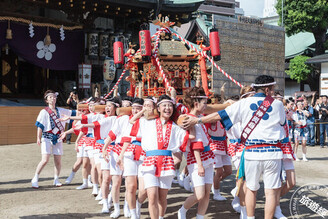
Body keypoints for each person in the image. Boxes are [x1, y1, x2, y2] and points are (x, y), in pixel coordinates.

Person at [183, 75, 287, 219]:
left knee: (251, 189)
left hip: (251, 152)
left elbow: (219, 115)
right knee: (271, 192)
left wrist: (198, 120)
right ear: (268, 89)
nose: (273, 92)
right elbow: (282, 123)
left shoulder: (243, 103)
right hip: (273, 153)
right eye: (273, 89)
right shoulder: (278, 104)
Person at [138, 94, 190, 219]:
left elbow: (183, 144)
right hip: (150, 162)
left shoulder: (176, 128)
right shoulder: (146, 123)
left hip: (166, 162)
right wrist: (146, 109)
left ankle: (161, 217)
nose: (167, 108)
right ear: (159, 108)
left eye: (170, 105)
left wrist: (175, 160)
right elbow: (133, 119)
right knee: (152, 196)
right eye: (164, 105)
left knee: (162, 197)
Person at [178, 87, 215, 219]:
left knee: (206, 193)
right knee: (199, 194)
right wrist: (199, 165)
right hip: (196, 159)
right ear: (196, 104)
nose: (206, 106)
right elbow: (195, 145)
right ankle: (182, 210)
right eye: (204, 103)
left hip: (208, 158)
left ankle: (200, 216)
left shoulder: (199, 118)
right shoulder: (188, 119)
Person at [32, 90, 76, 188]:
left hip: (59, 137)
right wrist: (38, 138)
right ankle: (35, 178)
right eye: (50, 97)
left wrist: (80, 105)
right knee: (45, 159)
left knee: (58, 160)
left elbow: (73, 113)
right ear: (46, 100)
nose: (53, 99)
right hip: (47, 137)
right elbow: (40, 126)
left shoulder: (61, 110)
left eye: (54, 97)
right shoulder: (44, 112)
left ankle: (56, 179)